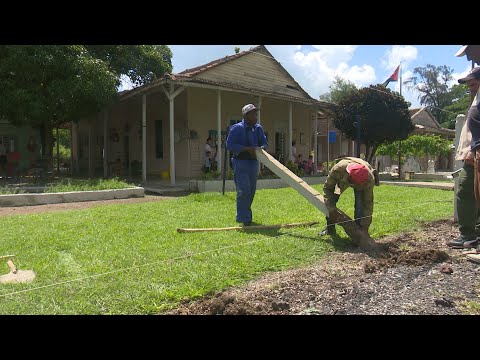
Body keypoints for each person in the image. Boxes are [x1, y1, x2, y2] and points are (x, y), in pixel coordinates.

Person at [447, 67, 480, 250]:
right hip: (473, 151)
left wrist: (473, 149)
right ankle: (474, 233)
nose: (470, 86)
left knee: (465, 191)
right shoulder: (475, 99)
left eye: (473, 82)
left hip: (475, 153)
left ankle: (468, 234)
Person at [226, 103, 268, 226]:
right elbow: (230, 145)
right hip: (240, 162)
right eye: (253, 113)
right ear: (246, 115)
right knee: (243, 190)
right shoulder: (236, 128)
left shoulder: (258, 128)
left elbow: (264, 143)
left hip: (253, 163)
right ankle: (244, 218)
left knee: (251, 190)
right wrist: (247, 149)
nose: (256, 116)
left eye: (256, 113)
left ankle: (246, 216)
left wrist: (261, 149)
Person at [323, 157, 379, 236]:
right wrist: (330, 207)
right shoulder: (338, 170)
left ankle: (359, 230)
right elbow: (327, 188)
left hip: (362, 179)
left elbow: (368, 203)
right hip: (342, 178)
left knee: (360, 204)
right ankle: (330, 228)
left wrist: (365, 227)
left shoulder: (369, 180)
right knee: (332, 199)